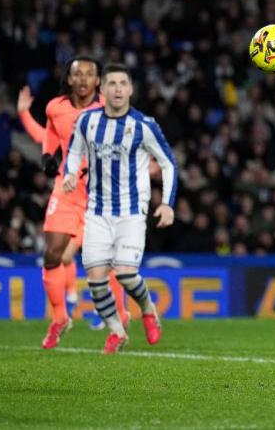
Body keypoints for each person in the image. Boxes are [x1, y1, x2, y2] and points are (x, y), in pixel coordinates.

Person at [63, 63, 178, 354]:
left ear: (130, 89)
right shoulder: (87, 122)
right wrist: (69, 174)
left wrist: (166, 203)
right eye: (111, 83)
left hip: (130, 211)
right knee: (95, 281)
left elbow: (168, 163)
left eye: (122, 84)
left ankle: (148, 310)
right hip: (97, 211)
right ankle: (116, 331)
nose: (117, 89)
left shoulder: (143, 125)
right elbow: (74, 150)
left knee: (126, 273)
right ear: (101, 89)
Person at [31, 59, 129, 349]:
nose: (84, 79)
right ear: (70, 79)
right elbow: (50, 131)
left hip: (101, 193)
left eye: (90, 74)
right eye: (78, 74)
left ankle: (120, 317)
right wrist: (48, 157)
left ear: (98, 80)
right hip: (67, 190)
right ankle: (60, 318)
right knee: (52, 254)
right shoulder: (55, 107)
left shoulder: (110, 109)